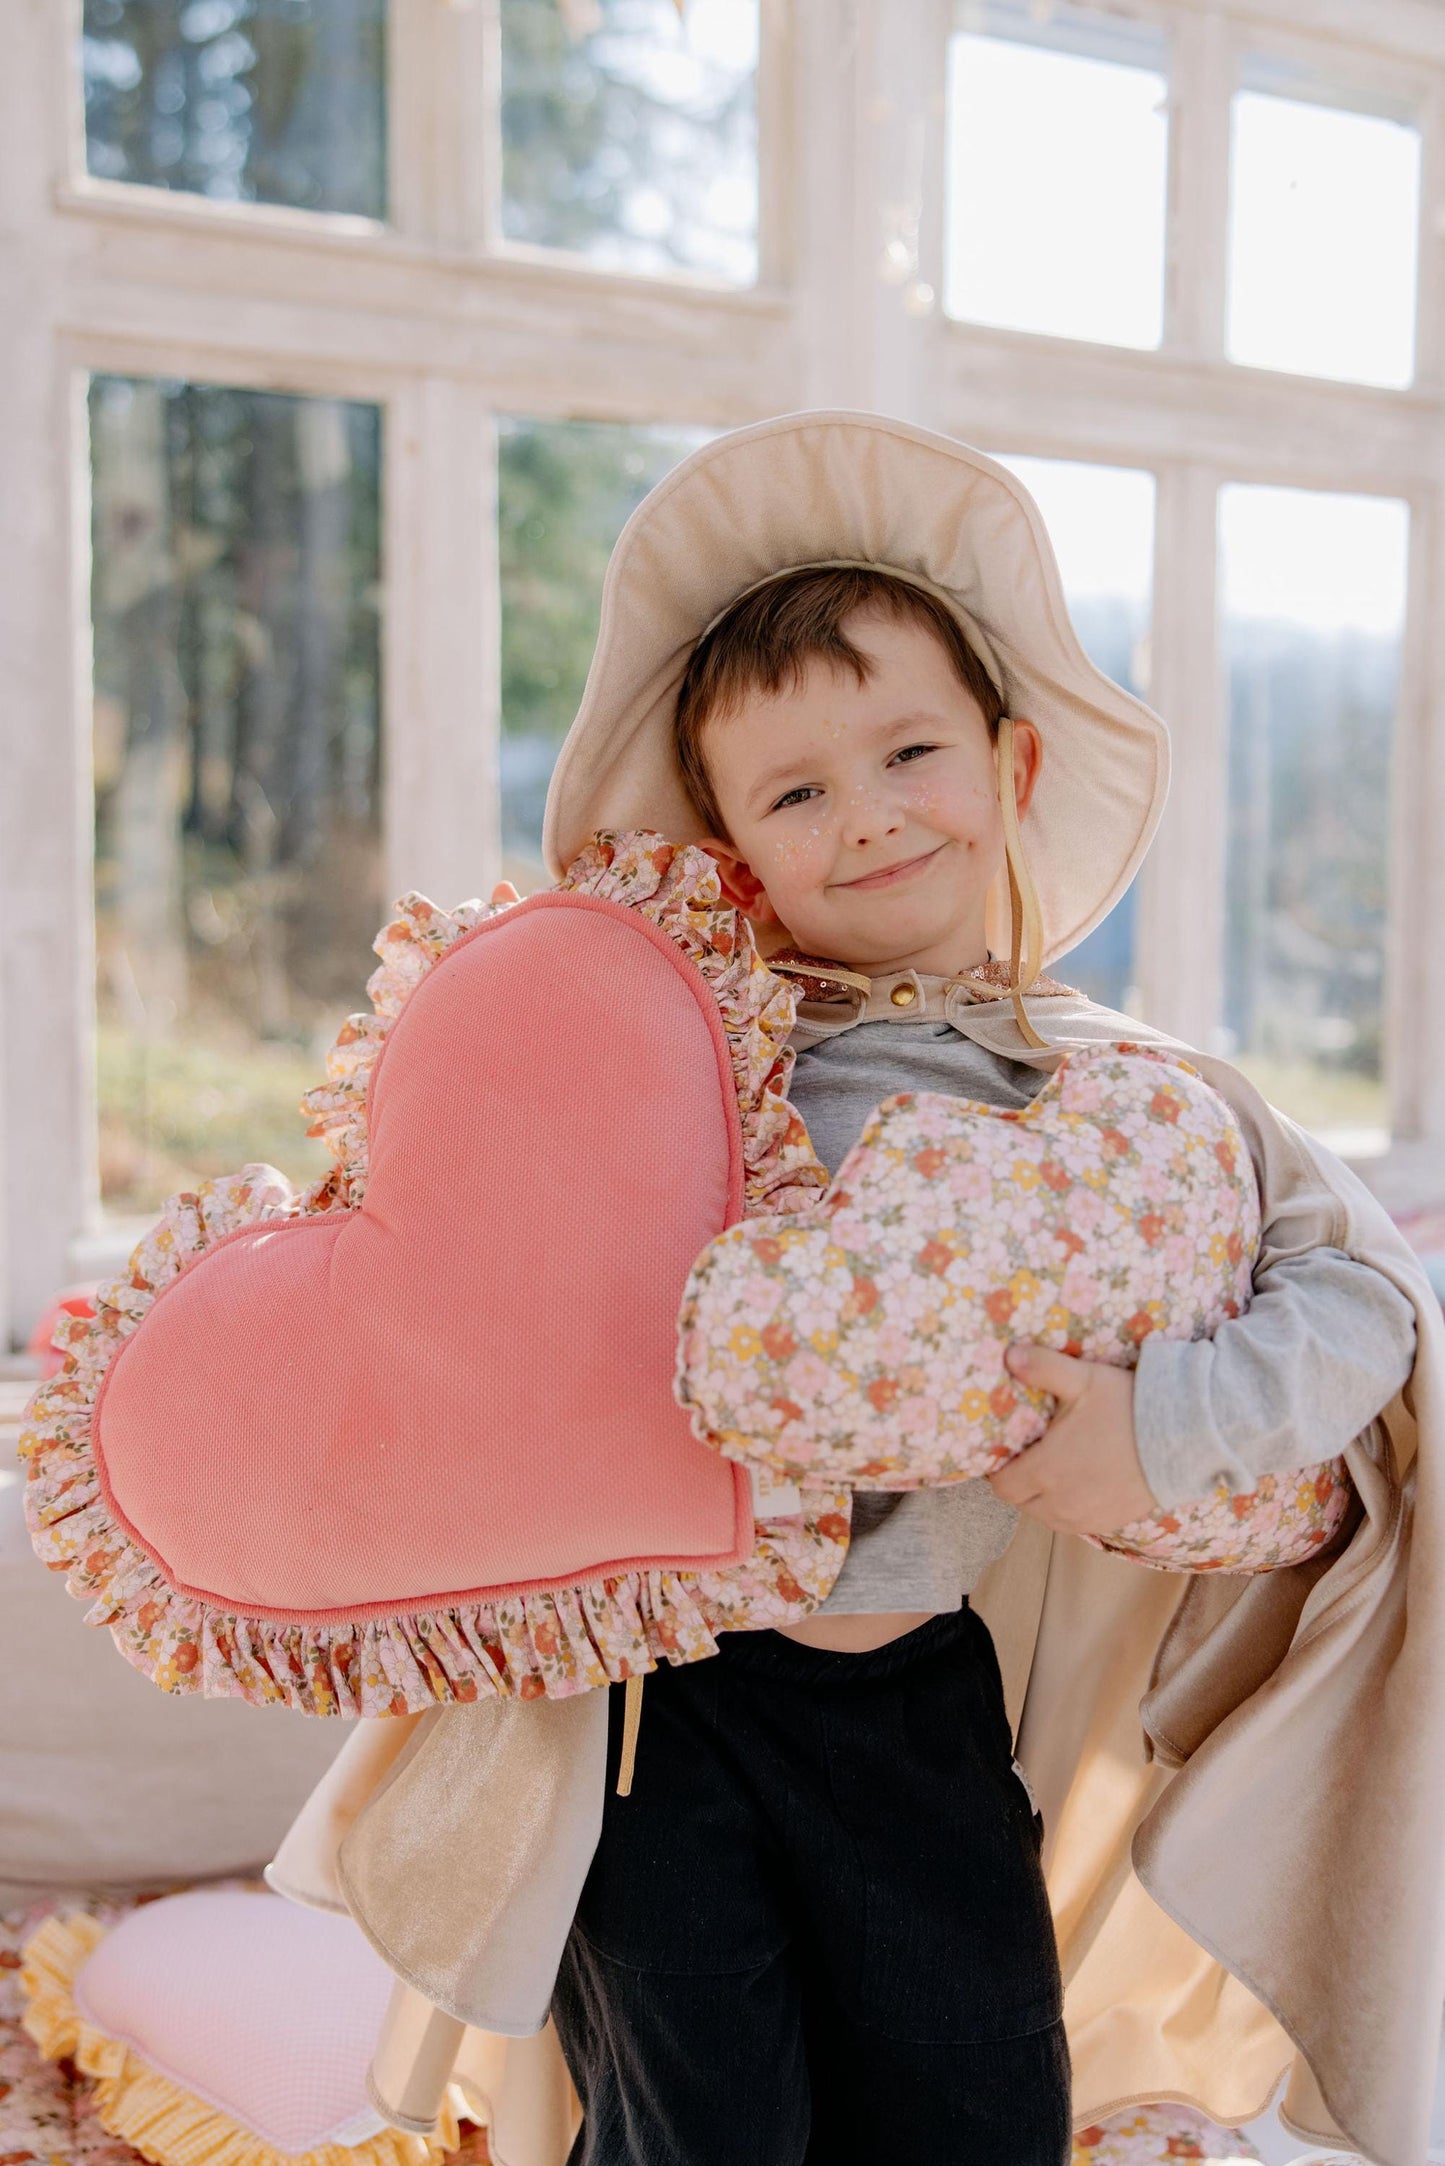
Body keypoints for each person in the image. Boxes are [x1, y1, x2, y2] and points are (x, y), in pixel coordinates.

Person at [269, 412, 1445, 2166]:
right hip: (655, 1713)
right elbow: (495, 1288)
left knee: (974, 2100)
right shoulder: (673, 1073)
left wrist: (1162, 1427)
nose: (870, 815)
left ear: (1011, 765)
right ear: (734, 852)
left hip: (914, 1694)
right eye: (798, 791)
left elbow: (1367, 1299)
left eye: (909, 751)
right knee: (705, 2121)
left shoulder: (1123, 1094)